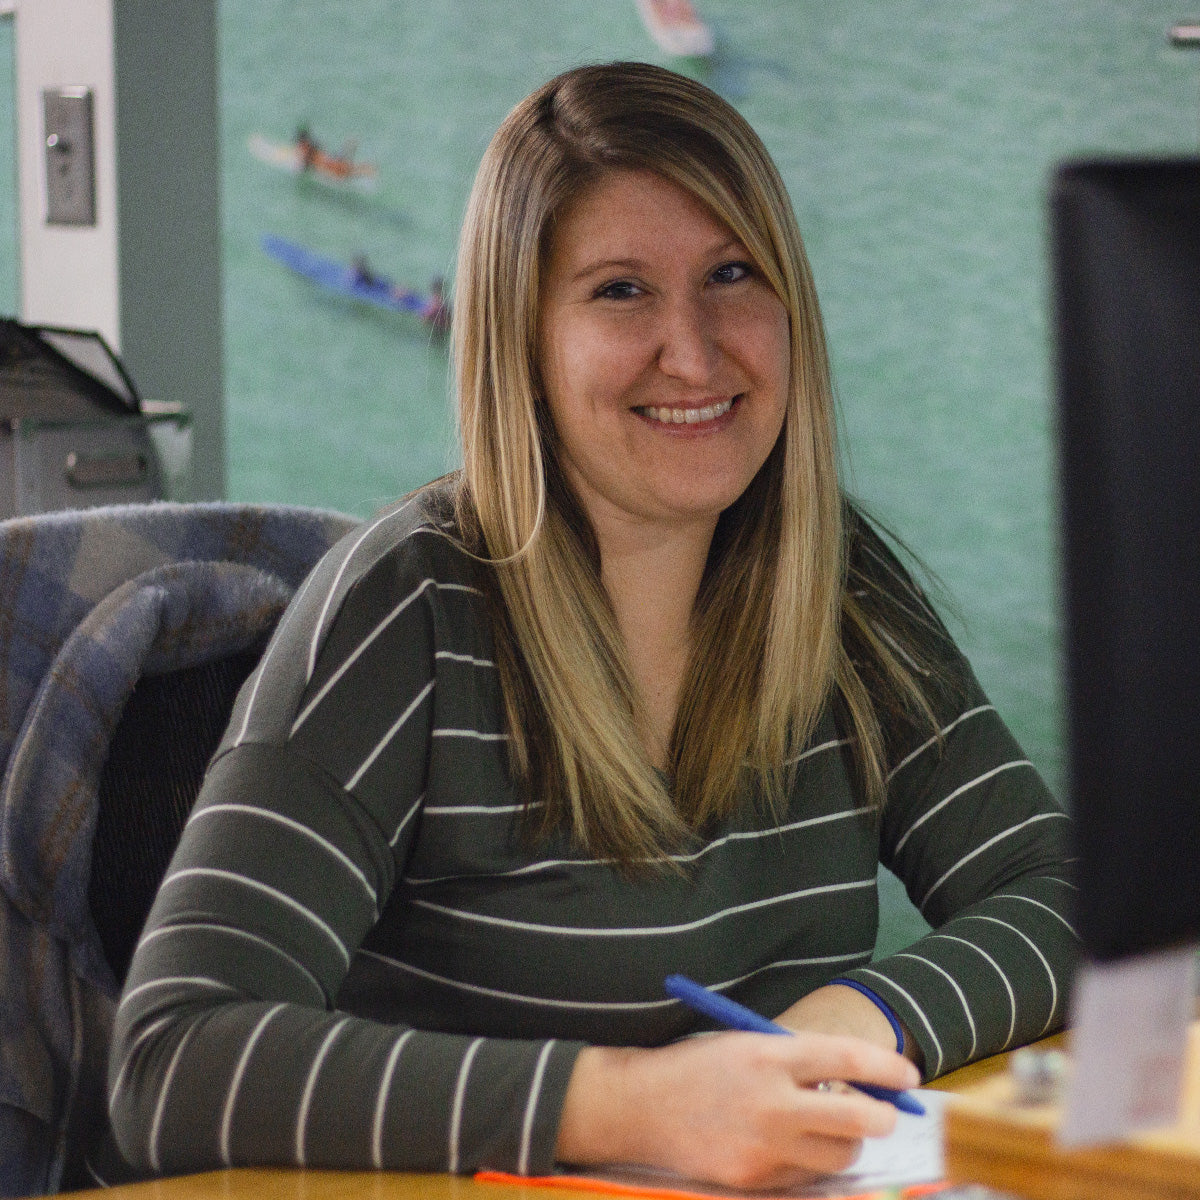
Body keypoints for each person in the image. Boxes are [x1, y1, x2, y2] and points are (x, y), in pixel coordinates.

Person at [107, 61, 1076, 1191]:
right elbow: (170, 1064)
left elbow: (1062, 891)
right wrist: (629, 1105)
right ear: (523, 343)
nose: (698, 351)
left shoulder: (835, 586)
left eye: (732, 274)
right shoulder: (407, 608)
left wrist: (854, 1019)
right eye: (621, 291)